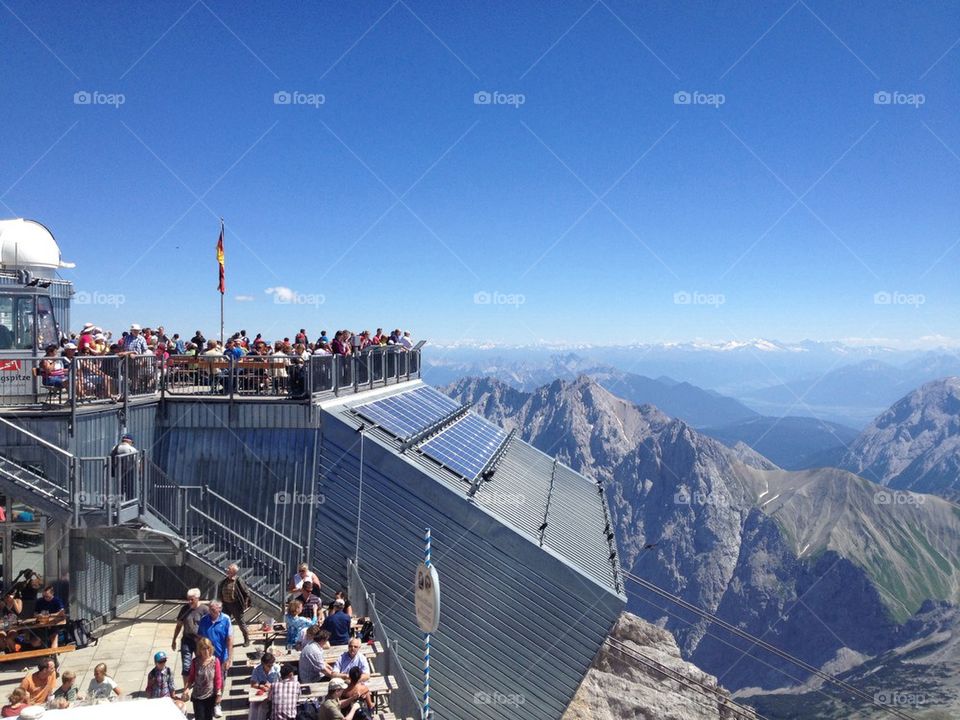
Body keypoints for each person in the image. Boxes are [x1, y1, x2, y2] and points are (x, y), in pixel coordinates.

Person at [198, 599, 232, 716]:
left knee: (220, 681)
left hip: (221, 658)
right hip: (207, 658)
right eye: (210, 609)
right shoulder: (204, 620)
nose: (211, 611)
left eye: (213, 609)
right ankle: (209, 704)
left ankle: (217, 704)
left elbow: (229, 640)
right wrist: (199, 655)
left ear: (220, 609)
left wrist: (229, 658)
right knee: (208, 681)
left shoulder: (226, 619)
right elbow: (200, 638)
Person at [172, 588, 209, 680]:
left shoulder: (205, 610)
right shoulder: (184, 609)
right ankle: (186, 688)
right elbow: (179, 625)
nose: (189, 601)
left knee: (201, 664)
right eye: (188, 599)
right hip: (187, 640)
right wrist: (174, 640)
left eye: (191, 599)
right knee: (186, 666)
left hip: (200, 642)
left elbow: (210, 627)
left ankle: (199, 682)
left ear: (197, 598)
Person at [183, 636, 222, 720]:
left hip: (210, 695)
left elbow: (218, 678)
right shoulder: (195, 662)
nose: (206, 651)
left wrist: (218, 693)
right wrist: (187, 689)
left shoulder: (215, 661)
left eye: (208, 648)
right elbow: (191, 677)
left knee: (208, 717)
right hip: (198, 696)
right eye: (203, 649)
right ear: (199, 650)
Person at [218, 563, 251, 646]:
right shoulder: (224, 581)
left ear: (233, 572)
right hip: (225, 605)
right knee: (224, 622)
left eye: (229, 569)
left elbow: (246, 592)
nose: (227, 570)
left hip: (235, 605)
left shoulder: (238, 580)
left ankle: (246, 639)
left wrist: (245, 604)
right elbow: (220, 591)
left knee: (241, 623)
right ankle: (225, 640)